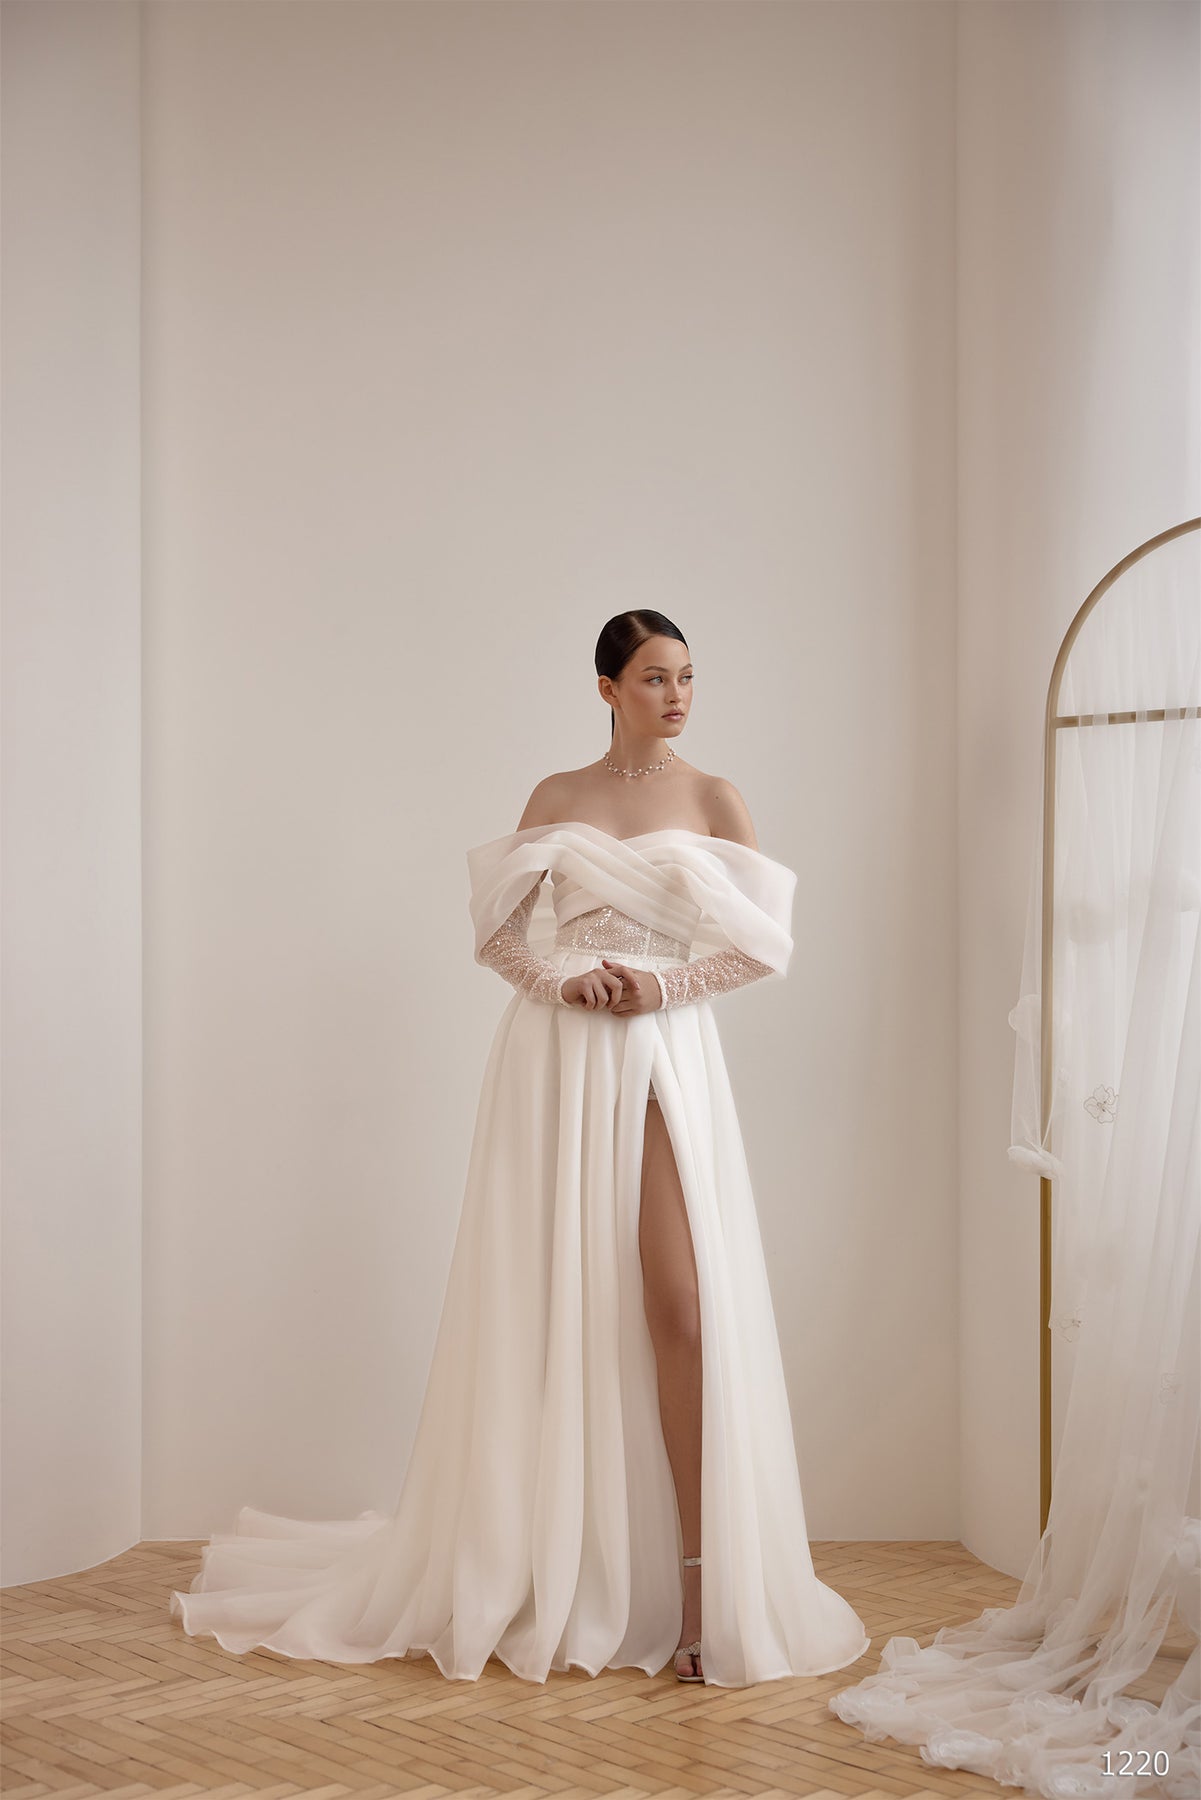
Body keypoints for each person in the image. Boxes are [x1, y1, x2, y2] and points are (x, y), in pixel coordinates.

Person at [170, 610, 870, 1689]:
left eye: (687, 678)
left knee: (681, 1306)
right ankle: (558, 1567)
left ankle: (700, 1593)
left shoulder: (714, 798)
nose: (677, 697)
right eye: (654, 678)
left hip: (665, 1051)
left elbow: (760, 945)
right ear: (607, 688)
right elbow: (498, 937)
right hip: (558, 1054)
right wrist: (561, 979)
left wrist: (661, 988)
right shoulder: (556, 795)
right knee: (559, 1303)